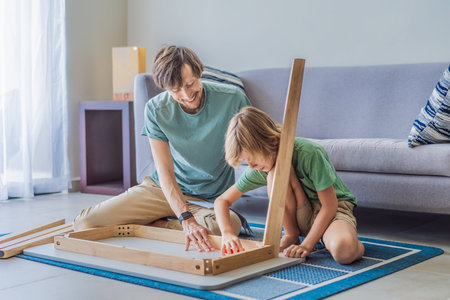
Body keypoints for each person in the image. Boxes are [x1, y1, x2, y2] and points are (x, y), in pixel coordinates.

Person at [74, 45, 251, 252]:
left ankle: (159, 225)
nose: (186, 95)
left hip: (208, 200)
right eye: (176, 90)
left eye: (190, 84)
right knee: (84, 223)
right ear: (165, 87)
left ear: (199, 73)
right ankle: (171, 221)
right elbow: (165, 172)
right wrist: (185, 218)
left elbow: (257, 145)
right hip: (162, 190)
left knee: (229, 226)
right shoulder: (155, 109)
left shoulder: (233, 98)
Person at [214, 107, 364, 264]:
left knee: (344, 252)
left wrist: (307, 245)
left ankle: (351, 242)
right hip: (301, 217)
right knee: (274, 174)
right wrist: (227, 233)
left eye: (253, 159)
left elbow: (330, 206)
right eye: (246, 161)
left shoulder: (309, 152)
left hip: (331, 211)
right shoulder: (261, 167)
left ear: (271, 140)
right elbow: (222, 201)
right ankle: (291, 235)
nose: (251, 166)